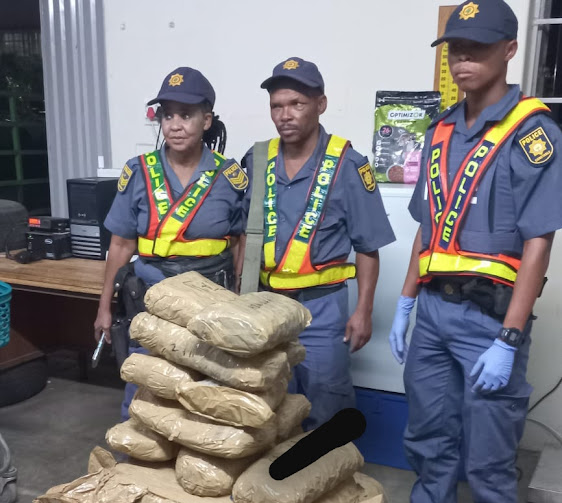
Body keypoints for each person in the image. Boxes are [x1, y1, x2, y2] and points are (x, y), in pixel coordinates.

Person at [388, 0, 562, 503]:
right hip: (432, 310)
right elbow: (426, 230)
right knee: (429, 433)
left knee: (489, 456)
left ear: (509, 51)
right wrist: (406, 303)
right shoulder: (438, 132)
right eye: (455, 49)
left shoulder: (531, 132)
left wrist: (511, 337)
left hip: (490, 322)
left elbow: (539, 244)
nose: (463, 60)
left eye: (478, 49)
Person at [239, 58, 396, 430]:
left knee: (327, 406)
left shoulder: (348, 165)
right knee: (268, 405)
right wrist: (239, 300)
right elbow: (244, 236)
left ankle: (330, 483)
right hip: (266, 307)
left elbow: (368, 247)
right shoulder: (257, 159)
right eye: (277, 106)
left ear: (320, 104)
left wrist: (364, 311)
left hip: (322, 312)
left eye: (297, 104)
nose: (285, 115)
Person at [94, 67, 247, 418]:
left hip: (210, 302)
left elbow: (240, 245)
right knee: (143, 395)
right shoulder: (139, 172)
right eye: (168, 115)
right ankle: (135, 470)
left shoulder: (229, 177)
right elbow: (119, 246)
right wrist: (104, 307)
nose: (175, 125)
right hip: (148, 301)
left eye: (187, 115)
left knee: (205, 396)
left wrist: (241, 301)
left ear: (206, 120)